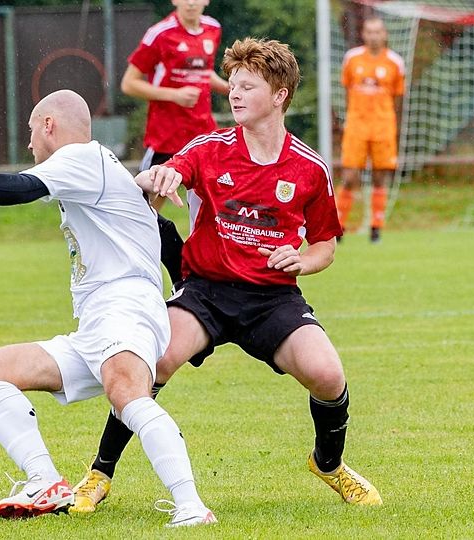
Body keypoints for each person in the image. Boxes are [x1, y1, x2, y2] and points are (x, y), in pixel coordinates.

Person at [71, 38, 382, 514]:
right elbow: (174, 169)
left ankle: (329, 464)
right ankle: (99, 473)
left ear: (279, 95)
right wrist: (162, 177)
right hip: (206, 293)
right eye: (232, 85)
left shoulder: (309, 167)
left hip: (273, 298)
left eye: (247, 86)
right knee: (151, 364)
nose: (234, 94)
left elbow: (325, 245)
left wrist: (302, 260)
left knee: (327, 374)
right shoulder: (209, 148)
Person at [0, 89, 217, 528]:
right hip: (98, 323)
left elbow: (17, 188)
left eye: (32, 131)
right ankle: (45, 482)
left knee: (127, 393)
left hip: (124, 306)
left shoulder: (81, 158)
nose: (30, 144)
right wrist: (184, 288)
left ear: (49, 125)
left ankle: (191, 506)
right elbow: (159, 228)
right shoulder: (100, 167)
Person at [120, 0, 230, 282]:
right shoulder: (160, 33)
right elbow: (129, 83)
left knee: (214, 211)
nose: (191, 2)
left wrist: (232, 88)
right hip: (166, 139)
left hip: (203, 138)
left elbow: (204, 73)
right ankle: (134, 271)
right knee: (143, 211)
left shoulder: (213, 28)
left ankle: (204, 277)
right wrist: (174, 95)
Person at [335, 16, 406, 243]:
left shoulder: (395, 62)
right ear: (364, 34)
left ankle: (376, 228)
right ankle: (338, 226)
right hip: (357, 125)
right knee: (349, 177)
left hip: (383, 126)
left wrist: (392, 125)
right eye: (369, 31)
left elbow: (398, 99)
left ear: (384, 34)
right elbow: (347, 91)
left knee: (379, 177)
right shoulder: (352, 58)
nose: (373, 36)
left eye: (377, 32)